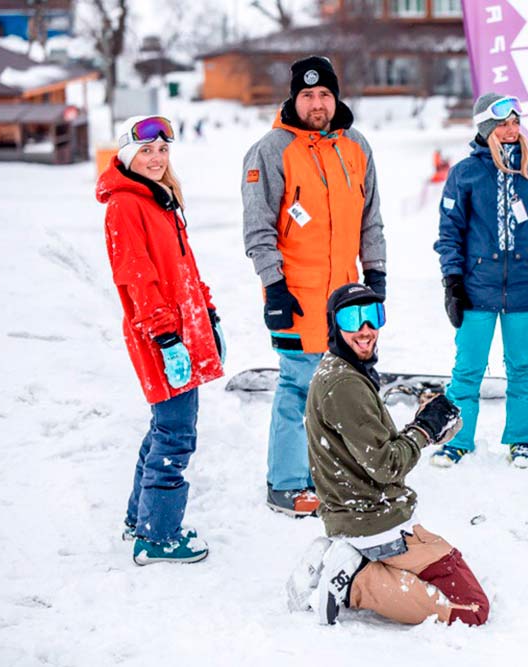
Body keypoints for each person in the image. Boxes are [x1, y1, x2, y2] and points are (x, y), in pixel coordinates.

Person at [286, 283, 489, 627]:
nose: (365, 329)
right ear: (334, 325)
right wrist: (423, 431)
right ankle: (354, 581)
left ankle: (348, 558)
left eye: (373, 316)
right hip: (375, 520)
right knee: (471, 608)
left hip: (364, 510)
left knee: (451, 568)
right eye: (352, 318)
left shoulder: (340, 370)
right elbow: (385, 464)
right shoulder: (345, 384)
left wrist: (424, 427)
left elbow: (371, 449)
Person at [242, 55, 386, 517]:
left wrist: (375, 273)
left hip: (344, 298)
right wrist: (274, 286)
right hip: (295, 294)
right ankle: (285, 483)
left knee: (340, 388)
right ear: (294, 98)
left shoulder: (356, 145)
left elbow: (371, 219)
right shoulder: (272, 150)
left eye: (324, 94)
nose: (317, 103)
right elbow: (258, 228)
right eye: (308, 95)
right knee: (297, 387)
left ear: (335, 96)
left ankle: (329, 477)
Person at [97, 115, 225, 564]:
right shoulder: (125, 206)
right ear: (129, 155)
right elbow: (137, 279)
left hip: (184, 329)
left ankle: (141, 518)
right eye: (146, 151)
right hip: (161, 335)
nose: (156, 158)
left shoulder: (161, 200)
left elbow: (184, 269)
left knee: (164, 428)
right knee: (175, 433)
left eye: (162, 150)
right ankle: (157, 535)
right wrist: (168, 337)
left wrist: (208, 313)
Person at [433, 93, 528, 468]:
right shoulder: (466, 172)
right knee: (468, 369)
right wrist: (453, 282)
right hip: (477, 288)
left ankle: (523, 440)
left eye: (515, 122)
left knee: (523, 367)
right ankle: (457, 439)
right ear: (485, 128)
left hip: (525, 287)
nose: (511, 130)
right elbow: (450, 232)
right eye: (502, 124)